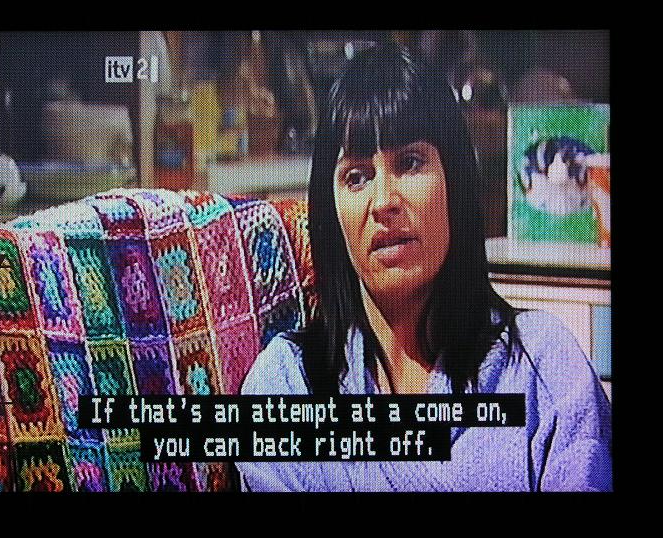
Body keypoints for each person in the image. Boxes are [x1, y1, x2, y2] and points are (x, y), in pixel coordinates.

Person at [234, 42, 612, 492]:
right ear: (330, 212)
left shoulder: (544, 367)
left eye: (410, 163)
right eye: (356, 176)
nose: (383, 202)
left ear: (455, 182)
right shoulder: (286, 387)